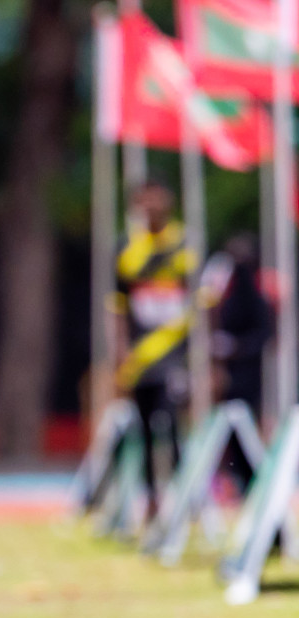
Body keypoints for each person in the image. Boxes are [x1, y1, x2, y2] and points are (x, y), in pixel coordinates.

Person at [111, 179, 194, 520]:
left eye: (156, 200)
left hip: (177, 352)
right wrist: (119, 350)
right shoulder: (128, 247)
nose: (151, 208)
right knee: (143, 429)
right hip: (140, 356)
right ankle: (150, 500)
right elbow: (117, 305)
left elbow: (201, 300)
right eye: (144, 202)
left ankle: (186, 498)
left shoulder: (186, 243)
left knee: (171, 424)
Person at [204, 233, 272, 491]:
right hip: (228, 375)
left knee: (249, 428)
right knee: (228, 431)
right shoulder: (224, 292)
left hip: (250, 376)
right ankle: (234, 480)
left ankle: (254, 480)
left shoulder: (256, 296)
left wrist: (236, 348)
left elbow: (263, 334)